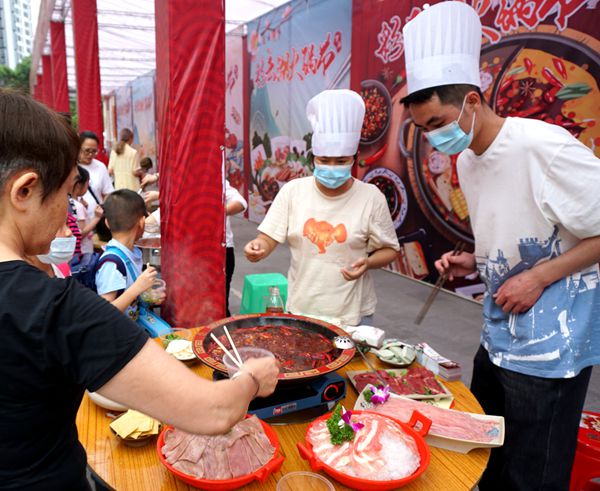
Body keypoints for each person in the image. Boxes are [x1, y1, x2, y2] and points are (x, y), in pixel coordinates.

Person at [0, 89, 279, 489]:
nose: (68, 213)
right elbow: (213, 412)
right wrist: (252, 377)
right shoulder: (56, 310)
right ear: (24, 191)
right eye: (64, 195)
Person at [400, 3, 600, 490]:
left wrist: (539, 276)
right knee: (486, 455)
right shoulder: (467, 159)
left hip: (552, 349)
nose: (433, 137)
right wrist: (478, 256)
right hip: (498, 335)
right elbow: (515, 224)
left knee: (534, 473)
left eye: (438, 122)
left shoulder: (543, 147)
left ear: (472, 100)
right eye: (424, 129)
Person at [244, 90, 400, 327]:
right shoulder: (293, 191)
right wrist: (259, 248)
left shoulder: (371, 197)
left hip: (353, 315)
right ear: (313, 158)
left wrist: (368, 263)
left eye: (341, 161)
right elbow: (268, 238)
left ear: (354, 158)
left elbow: (390, 249)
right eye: (325, 160)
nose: (332, 167)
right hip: (302, 310)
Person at [95, 190, 161, 317]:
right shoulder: (112, 263)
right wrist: (138, 287)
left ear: (107, 223)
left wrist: (149, 297)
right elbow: (104, 313)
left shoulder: (129, 253)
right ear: (142, 222)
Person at [225, 179, 248, 316]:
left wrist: (218, 211)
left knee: (220, 300)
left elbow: (241, 203)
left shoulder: (219, 181)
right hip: (190, 251)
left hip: (222, 249)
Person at [70, 165, 103, 255]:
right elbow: (81, 234)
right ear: (79, 185)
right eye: (87, 184)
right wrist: (97, 218)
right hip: (83, 252)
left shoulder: (70, 203)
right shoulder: (78, 206)